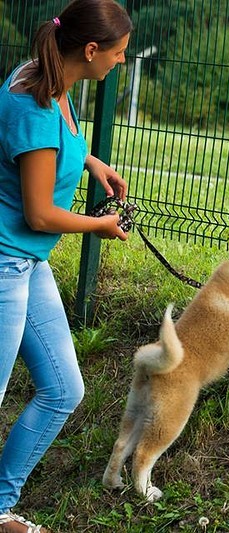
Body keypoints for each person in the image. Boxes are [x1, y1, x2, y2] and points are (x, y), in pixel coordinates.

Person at [0, 1, 132, 531]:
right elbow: (38, 213)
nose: (122, 63)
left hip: (27, 265)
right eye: (119, 54)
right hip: (8, 261)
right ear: (92, 50)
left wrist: (91, 161)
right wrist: (98, 226)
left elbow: (51, 148)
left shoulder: (47, 76)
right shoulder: (34, 101)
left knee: (63, 390)